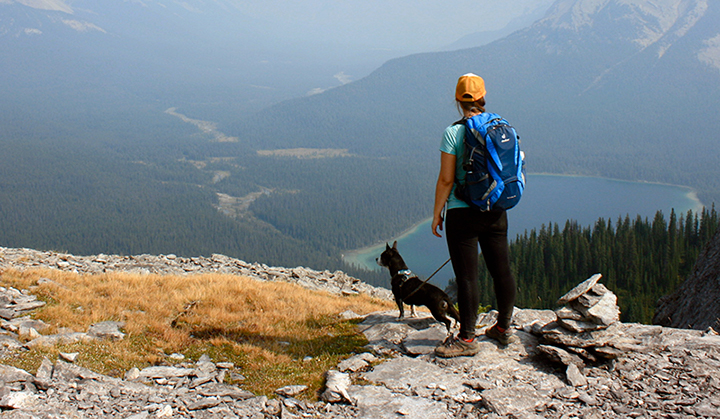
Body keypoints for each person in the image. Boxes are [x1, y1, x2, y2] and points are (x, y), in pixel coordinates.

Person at [432, 73, 517, 358]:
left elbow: (446, 180)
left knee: (467, 277)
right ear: (483, 97)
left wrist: (436, 214)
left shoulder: (453, 133)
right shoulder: (502, 126)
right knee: (501, 270)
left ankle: (467, 339)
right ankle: (503, 329)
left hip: (462, 212)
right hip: (496, 210)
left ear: (458, 100)